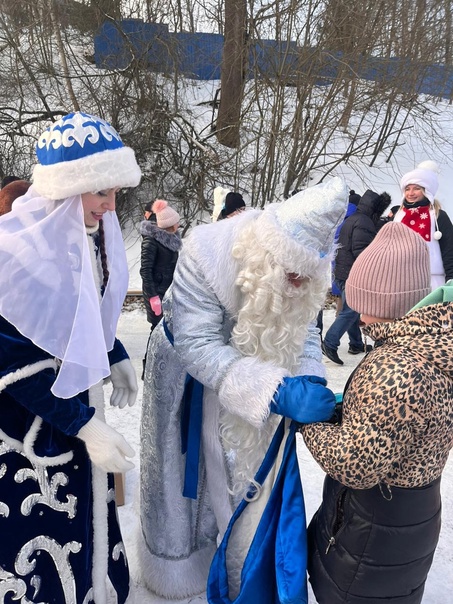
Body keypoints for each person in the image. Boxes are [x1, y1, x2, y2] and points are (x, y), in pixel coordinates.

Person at [137, 177, 349, 599]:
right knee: (183, 477)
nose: (296, 285)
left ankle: (243, 563)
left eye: (305, 278)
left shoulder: (303, 271)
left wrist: (307, 376)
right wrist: (274, 391)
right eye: (290, 275)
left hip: (255, 369)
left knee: (246, 473)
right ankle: (182, 565)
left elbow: (305, 326)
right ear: (269, 257)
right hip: (186, 370)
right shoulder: (206, 251)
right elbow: (197, 344)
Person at [0, 111, 141, 603]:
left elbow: (79, 315)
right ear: (66, 189)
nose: (110, 204)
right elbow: (10, 367)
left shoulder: (82, 238)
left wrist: (114, 349)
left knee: (84, 520)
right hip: (26, 431)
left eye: (116, 192)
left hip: (74, 412)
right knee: (39, 541)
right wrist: (84, 425)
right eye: (101, 191)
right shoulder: (12, 254)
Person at [301, 221, 453, 604]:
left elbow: (356, 465)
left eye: (363, 305)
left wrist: (309, 422)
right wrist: (349, 408)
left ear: (387, 302)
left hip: (373, 536)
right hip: (406, 526)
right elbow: (397, 427)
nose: (359, 317)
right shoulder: (434, 344)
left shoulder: (398, 369)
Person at [322, 188, 391, 364]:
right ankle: (330, 343)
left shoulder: (353, 218)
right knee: (351, 311)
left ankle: (356, 343)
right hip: (352, 273)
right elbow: (361, 251)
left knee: (352, 309)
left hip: (342, 271)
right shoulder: (364, 222)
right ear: (375, 209)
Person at [391, 160, 453, 289]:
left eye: (417, 188)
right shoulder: (398, 215)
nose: (411, 193)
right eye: (407, 189)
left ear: (426, 190)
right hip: (401, 279)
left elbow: (449, 249)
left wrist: (450, 278)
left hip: (432, 281)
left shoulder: (438, 215)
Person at [140, 198, 181, 379]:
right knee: (156, 330)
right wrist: (152, 297)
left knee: (166, 330)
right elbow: (145, 271)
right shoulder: (151, 242)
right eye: (175, 223)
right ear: (168, 225)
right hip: (156, 295)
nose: (178, 225)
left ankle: (160, 367)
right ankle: (148, 367)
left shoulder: (170, 241)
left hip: (168, 293)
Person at [317, 189, 361, 339]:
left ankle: (354, 342)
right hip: (351, 270)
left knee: (346, 307)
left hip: (336, 267)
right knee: (350, 309)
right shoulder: (357, 220)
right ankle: (332, 340)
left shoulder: (338, 218)